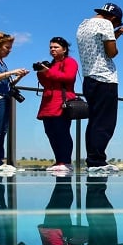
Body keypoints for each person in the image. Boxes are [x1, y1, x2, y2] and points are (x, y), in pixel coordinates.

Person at [76, 2, 123, 173]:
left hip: (89, 79)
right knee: (105, 122)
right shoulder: (107, 24)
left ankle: (93, 159)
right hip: (105, 79)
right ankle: (98, 162)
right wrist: (115, 37)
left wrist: (117, 33)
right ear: (114, 18)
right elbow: (111, 52)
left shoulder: (84, 24)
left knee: (94, 121)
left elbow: (98, 44)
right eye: (118, 24)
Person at [0, 32, 28, 172]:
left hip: (4, 96)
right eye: (7, 47)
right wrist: (11, 72)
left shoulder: (2, 62)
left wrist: (18, 77)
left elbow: (6, 83)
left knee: (3, 130)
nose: (9, 50)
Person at [35, 37, 79, 174]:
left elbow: (68, 77)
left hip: (62, 102)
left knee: (62, 132)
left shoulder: (70, 62)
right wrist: (41, 72)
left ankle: (65, 161)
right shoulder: (51, 64)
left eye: (56, 47)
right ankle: (59, 160)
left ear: (64, 49)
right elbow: (45, 83)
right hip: (48, 102)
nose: (52, 49)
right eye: (51, 47)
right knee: (51, 132)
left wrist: (47, 71)